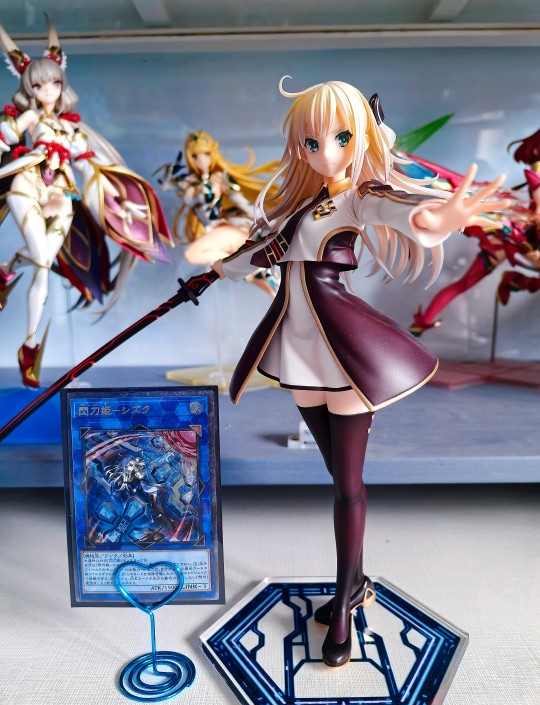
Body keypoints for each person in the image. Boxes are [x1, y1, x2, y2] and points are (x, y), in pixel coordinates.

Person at [211, 78, 508, 668]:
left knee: (347, 486)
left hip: (343, 349)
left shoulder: (355, 196)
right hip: (296, 351)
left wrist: (437, 218)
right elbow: (256, 257)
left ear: (361, 138)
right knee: (338, 478)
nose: (324, 151)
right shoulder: (298, 207)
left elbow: (400, 212)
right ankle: (359, 581)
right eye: (311, 141)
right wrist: (217, 268)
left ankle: (345, 603)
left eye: (340, 137)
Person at [0, 18, 172, 386]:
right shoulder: (29, 116)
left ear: (62, 83)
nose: (48, 90)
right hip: (28, 185)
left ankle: (12, 285)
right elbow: (5, 140)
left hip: (63, 195)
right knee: (42, 261)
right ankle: (30, 344)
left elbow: (92, 168)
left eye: (54, 82)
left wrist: (121, 202)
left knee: (44, 263)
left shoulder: (73, 128)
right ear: (28, 87)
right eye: (38, 84)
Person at [407, 130, 540, 336]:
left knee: (464, 283)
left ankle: (515, 280)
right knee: (464, 283)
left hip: (517, 234)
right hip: (516, 234)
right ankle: (421, 323)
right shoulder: (536, 175)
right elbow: (538, 213)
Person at [156, 130, 279, 296]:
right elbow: (166, 185)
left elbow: (242, 203)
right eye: (195, 156)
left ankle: (247, 268)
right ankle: (266, 283)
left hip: (227, 229)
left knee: (192, 254)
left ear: (212, 154)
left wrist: (266, 221)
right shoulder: (188, 182)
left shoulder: (220, 178)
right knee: (270, 289)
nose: (201, 160)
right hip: (215, 232)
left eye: (206, 154)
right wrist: (169, 177)